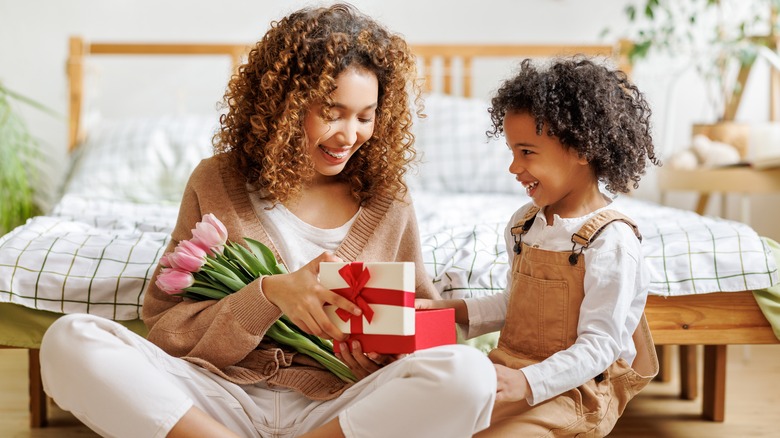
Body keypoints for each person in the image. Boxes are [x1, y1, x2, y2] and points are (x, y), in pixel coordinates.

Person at [39, 4, 496, 438]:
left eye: (365, 116)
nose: (348, 135)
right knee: (70, 340)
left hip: (339, 409)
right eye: (330, 113)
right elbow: (167, 330)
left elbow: (429, 326)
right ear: (283, 104)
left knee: (470, 373)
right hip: (219, 396)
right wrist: (270, 295)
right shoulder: (216, 181)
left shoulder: (388, 201)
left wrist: (385, 360)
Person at [417, 57, 662, 437]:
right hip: (512, 370)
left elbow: (600, 347)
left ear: (582, 149)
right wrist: (456, 310)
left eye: (527, 152)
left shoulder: (612, 242)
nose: (514, 168)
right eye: (512, 152)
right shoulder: (524, 224)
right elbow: (517, 305)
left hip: (575, 390)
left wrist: (528, 384)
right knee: (429, 418)